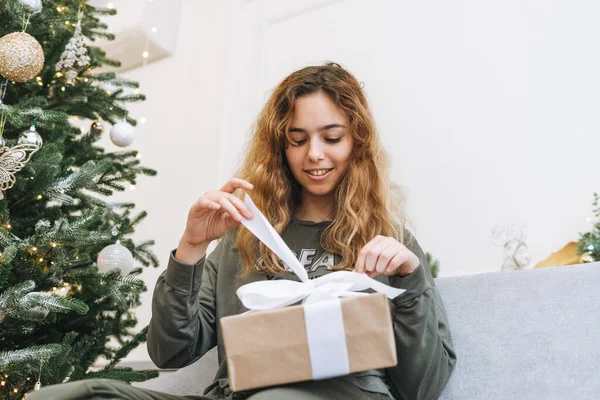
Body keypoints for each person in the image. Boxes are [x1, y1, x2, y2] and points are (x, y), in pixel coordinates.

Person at [29, 63, 456, 399]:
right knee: (73, 395)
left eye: (332, 137)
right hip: (237, 393)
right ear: (281, 147)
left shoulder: (389, 242)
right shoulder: (246, 237)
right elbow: (171, 352)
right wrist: (193, 246)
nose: (315, 154)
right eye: (298, 139)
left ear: (356, 142)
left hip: (343, 394)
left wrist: (409, 279)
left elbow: (423, 387)